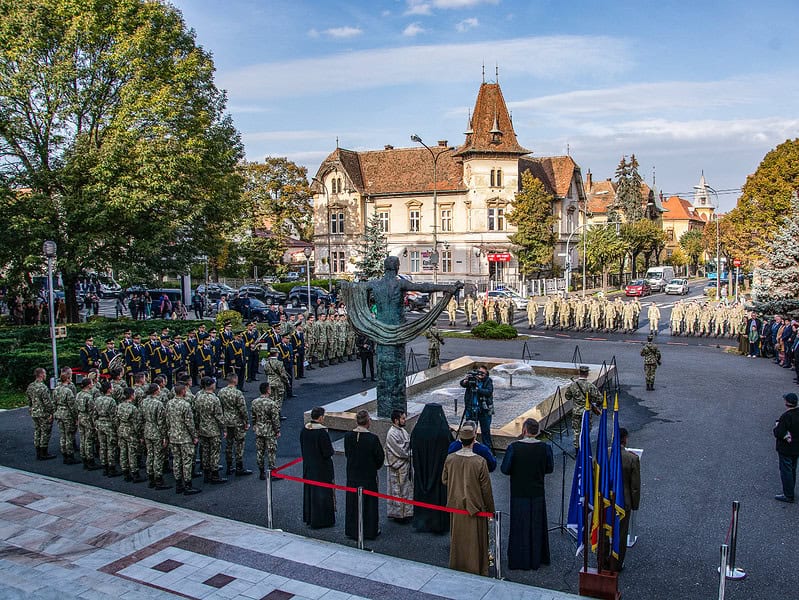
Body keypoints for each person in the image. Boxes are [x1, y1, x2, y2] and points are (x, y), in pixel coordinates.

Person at [441, 422, 495, 576]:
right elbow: (486, 490)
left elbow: (444, 480)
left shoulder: (450, 458)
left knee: (458, 538)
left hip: (456, 504)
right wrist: (490, 510)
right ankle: (476, 566)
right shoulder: (479, 461)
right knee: (475, 539)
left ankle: (458, 564)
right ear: (474, 439)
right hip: (474, 506)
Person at [501, 418, 554, 570]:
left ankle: (520, 559)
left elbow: (505, 469)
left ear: (524, 430)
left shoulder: (514, 447)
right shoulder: (545, 447)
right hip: (537, 491)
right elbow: (549, 468)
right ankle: (538, 557)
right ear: (536, 431)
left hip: (519, 492)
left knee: (520, 526)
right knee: (537, 525)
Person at [411, 403, 453, 533]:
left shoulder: (418, 430)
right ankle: (437, 524)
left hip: (422, 469)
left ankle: (421, 521)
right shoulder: (443, 431)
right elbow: (450, 447)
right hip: (438, 470)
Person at [344, 410, 385, 540]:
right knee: (369, 504)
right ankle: (369, 530)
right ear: (368, 422)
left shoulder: (348, 436)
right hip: (368, 475)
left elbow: (347, 454)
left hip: (353, 474)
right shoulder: (372, 439)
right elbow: (379, 458)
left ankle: (352, 529)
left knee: (353, 503)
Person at [607, 427, 641, 571]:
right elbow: (635, 486)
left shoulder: (605, 454)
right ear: (625, 439)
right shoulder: (632, 458)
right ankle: (617, 564)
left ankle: (602, 560)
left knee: (604, 530)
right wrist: (635, 504)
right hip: (624, 501)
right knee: (620, 535)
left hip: (605, 499)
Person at [300, 407, 336, 529]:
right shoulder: (321, 432)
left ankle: (310, 517)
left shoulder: (305, 429)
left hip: (309, 466)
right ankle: (322, 520)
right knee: (322, 494)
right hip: (321, 468)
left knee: (310, 493)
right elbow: (327, 452)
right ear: (320, 417)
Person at [167, 383, 201, 495]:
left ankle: (178, 485)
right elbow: (189, 423)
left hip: (173, 435)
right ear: (183, 391)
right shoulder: (185, 405)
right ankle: (188, 485)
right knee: (187, 461)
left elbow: (167, 420)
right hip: (185, 437)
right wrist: (194, 436)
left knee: (176, 460)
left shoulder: (169, 403)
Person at [195, 376, 228, 485]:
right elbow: (219, 416)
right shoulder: (214, 399)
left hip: (202, 428)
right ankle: (214, 474)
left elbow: (196, 414)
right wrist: (224, 428)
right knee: (214, 452)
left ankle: (206, 474)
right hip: (213, 429)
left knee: (205, 451)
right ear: (211, 385)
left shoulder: (198, 397)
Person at [218, 374, 252, 476]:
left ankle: (229, 466)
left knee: (228, 444)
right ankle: (239, 466)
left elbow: (219, 407)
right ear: (235, 380)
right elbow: (242, 409)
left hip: (226, 420)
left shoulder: (221, 392)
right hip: (237, 421)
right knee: (239, 444)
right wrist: (246, 421)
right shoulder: (238, 393)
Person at [141, 383, 171, 490]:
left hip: (147, 430)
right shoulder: (158, 404)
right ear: (155, 391)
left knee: (150, 454)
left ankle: (150, 478)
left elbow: (141, 418)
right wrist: (164, 436)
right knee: (158, 455)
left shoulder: (143, 402)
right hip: (156, 432)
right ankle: (158, 479)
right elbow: (161, 422)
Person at [565, 365, 603, 449]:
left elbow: (567, 396)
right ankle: (585, 449)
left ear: (579, 372)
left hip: (576, 412)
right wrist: (595, 405)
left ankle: (577, 451)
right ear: (587, 373)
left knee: (576, 431)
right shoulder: (590, 386)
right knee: (586, 431)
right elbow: (600, 398)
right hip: (586, 412)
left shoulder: (573, 385)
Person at [385, 410, 413, 523]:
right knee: (398, 491)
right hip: (396, 466)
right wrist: (410, 452)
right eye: (403, 418)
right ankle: (398, 514)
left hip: (404, 465)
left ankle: (406, 513)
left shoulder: (403, 431)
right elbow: (401, 451)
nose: (404, 420)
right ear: (396, 420)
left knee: (406, 490)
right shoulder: (391, 433)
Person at [459, 365, 494, 452]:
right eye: (479, 372)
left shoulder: (488, 381)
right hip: (471, 409)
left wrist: (478, 389)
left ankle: (487, 450)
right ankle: (469, 449)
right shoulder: (472, 379)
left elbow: (489, 392)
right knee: (470, 430)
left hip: (483, 410)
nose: (480, 375)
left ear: (486, 374)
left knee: (485, 431)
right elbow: (462, 384)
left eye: (483, 373)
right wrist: (466, 380)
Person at [252, 382, 281, 481]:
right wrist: (277, 430)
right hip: (269, 430)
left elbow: (253, 416)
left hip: (259, 429)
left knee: (260, 451)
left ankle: (261, 472)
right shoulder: (272, 403)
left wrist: (254, 425)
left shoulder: (254, 402)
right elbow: (275, 419)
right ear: (268, 390)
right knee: (271, 451)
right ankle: (272, 472)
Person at [773, 392, 799, 503]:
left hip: (786, 448)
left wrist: (777, 427)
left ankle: (788, 494)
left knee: (785, 470)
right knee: (793, 468)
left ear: (786, 403)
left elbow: (779, 432)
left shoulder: (786, 416)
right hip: (796, 447)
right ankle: (790, 489)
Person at [116, 387, 145, 483]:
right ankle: (135, 473)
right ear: (132, 395)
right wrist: (140, 435)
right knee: (132, 453)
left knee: (123, 452)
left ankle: (125, 472)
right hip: (131, 432)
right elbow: (137, 424)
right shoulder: (133, 408)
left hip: (121, 430)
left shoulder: (120, 405)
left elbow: (116, 420)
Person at [53, 371, 79, 464]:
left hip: (59, 413)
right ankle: (70, 455)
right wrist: (76, 417)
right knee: (69, 436)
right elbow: (72, 406)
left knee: (62, 435)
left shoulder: (56, 389)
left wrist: (55, 412)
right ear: (67, 379)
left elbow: (54, 403)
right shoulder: (68, 391)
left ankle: (64, 453)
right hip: (67, 415)